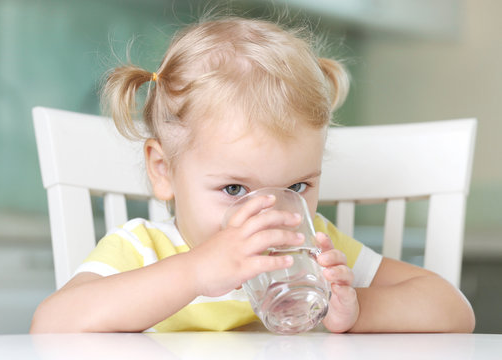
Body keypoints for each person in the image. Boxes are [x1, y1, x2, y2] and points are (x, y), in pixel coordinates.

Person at [30, 17, 475, 333]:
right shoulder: (143, 250)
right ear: (163, 170)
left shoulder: (313, 246)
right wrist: (197, 272)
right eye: (234, 189)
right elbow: (51, 324)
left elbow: (453, 311)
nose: (270, 215)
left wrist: (358, 310)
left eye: (296, 187)